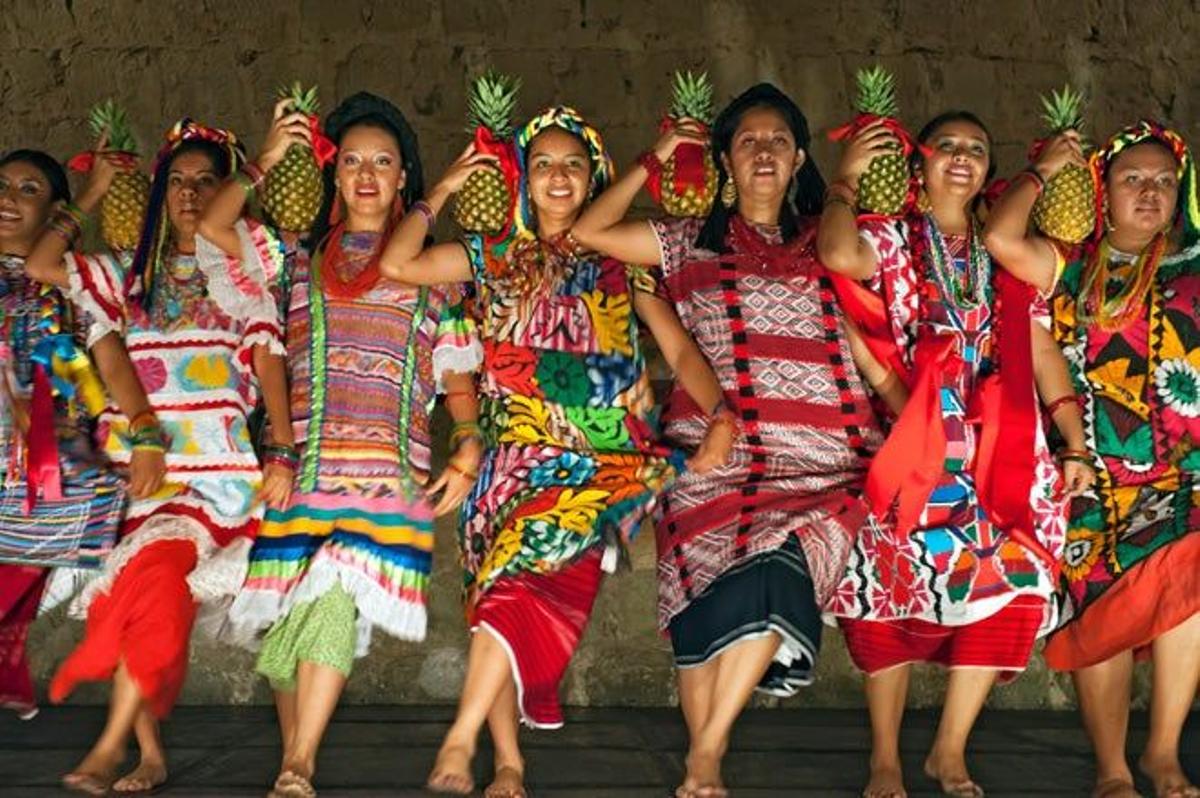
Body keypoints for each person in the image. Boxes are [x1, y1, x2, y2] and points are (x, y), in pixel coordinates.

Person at [378, 105, 734, 797]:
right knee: (496, 599)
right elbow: (398, 262)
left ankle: (458, 742)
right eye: (542, 164)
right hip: (508, 463)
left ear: (596, 173)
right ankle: (507, 763)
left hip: (593, 468)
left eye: (573, 163)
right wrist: (447, 184)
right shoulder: (490, 255)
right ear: (522, 179)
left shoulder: (617, 261)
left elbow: (678, 348)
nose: (558, 176)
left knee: (519, 580)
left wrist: (718, 411)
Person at [572, 82, 903, 798]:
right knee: (700, 620)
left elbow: (871, 323)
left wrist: (845, 183)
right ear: (724, 158)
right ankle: (709, 765)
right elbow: (589, 232)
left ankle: (705, 752)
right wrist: (655, 159)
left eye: (778, 141)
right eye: (747, 140)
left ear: (798, 159)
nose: (763, 151)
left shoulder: (829, 237)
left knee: (781, 572)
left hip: (825, 458)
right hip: (713, 452)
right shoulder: (685, 240)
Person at [198, 91, 483, 798]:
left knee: (332, 603)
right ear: (331, 174)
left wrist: (469, 443)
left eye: (382, 163)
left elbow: (456, 370)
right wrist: (264, 162)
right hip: (299, 469)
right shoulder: (296, 259)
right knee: (291, 616)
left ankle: (299, 764)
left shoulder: (432, 271)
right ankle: (295, 756)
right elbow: (213, 223)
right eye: (351, 160)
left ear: (402, 178)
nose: (365, 175)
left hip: (387, 480)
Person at [819, 110, 1094, 798]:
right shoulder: (891, 237)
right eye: (948, 146)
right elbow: (834, 258)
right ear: (921, 164)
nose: (962, 156)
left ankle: (949, 750)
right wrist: (844, 182)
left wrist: (1074, 443)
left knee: (1017, 586)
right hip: (910, 438)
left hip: (999, 451)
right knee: (884, 590)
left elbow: (1038, 348)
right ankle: (885, 759)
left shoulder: (1002, 252)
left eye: (977, 147)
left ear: (989, 171)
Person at [23, 119, 291, 795]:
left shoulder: (243, 267)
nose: (190, 193)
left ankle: (117, 747)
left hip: (215, 482)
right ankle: (144, 751)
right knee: (143, 593)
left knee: (153, 578)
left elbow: (269, 356)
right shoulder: (126, 273)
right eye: (177, 181)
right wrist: (92, 194)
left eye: (207, 179)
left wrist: (282, 446)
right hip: (137, 475)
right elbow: (42, 265)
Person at [984, 118, 1200, 798]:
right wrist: (1047, 170)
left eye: (1164, 182)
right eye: (1132, 179)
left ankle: (1162, 754)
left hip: (1187, 473)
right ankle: (1111, 767)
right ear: (1101, 191)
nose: (1150, 193)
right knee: (1101, 617)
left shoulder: (1197, 267)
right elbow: (998, 239)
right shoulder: (1070, 262)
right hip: (1094, 477)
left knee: (1190, 599)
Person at [0, 149, 125, 721]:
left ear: (54, 209)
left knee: (42, 543)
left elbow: (97, 360)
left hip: (57, 454)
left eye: (28, 190)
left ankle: (8, 659)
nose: (8, 198)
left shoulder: (76, 284)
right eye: (2, 186)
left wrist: (125, 424)